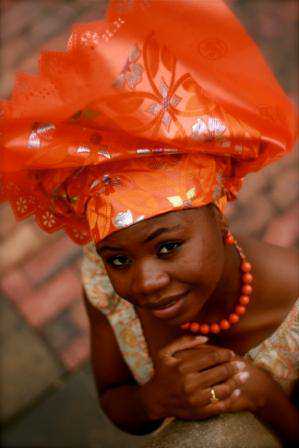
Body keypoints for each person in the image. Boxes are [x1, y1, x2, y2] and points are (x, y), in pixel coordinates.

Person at [1, 0, 298, 445]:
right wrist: (155, 401)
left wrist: (260, 394)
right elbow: (114, 396)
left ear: (218, 218)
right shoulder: (104, 284)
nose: (145, 282)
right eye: (118, 257)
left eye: (167, 247)